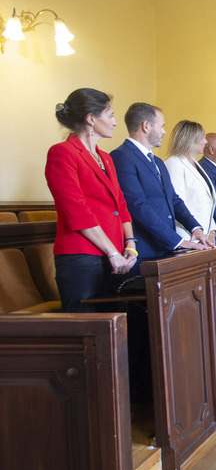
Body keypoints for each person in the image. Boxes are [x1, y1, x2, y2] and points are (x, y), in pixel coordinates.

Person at [44, 88, 137, 312]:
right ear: (91, 119)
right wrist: (112, 252)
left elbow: (121, 206)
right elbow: (77, 211)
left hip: (114, 255)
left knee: (116, 326)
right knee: (87, 329)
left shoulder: (105, 157)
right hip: (82, 256)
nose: (115, 122)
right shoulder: (62, 152)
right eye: (111, 115)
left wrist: (130, 245)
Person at [109, 103, 213, 262]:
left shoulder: (157, 161)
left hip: (164, 248)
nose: (164, 131)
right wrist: (177, 240)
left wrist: (195, 227)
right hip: (144, 249)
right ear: (146, 126)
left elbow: (174, 199)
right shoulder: (121, 156)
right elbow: (137, 205)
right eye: (162, 126)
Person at [164, 120, 216, 247]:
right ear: (190, 140)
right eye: (202, 138)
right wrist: (196, 229)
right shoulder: (174, 163)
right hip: (188, 236)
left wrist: (212, 231)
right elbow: (178, 203)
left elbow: (208, 202)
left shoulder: (195, 163)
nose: (205, 141)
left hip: (204, 236)